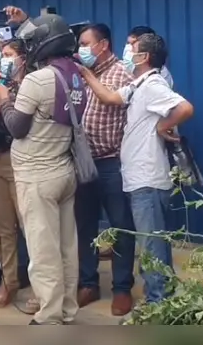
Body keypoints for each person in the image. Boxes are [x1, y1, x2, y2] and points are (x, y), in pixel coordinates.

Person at [78, 33, 194, 305]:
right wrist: (85, 73)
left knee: (151, 247)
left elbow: (185, 108)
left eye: (132, 48)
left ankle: (158, 305)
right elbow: (108, 97)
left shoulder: (153, 84)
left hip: (148, 180)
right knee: (154, 244)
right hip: (137, 179)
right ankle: (163, 300)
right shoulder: (138, 86)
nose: (126, 52)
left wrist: (163, 126)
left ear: (145, 57)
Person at [0, 8, 84, 326]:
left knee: (43, 250)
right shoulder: (74, 73)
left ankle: (49, 315)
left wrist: (4, 100)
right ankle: (67, 309)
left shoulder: (37, 79)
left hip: (37, 174)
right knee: (66, 248)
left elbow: (17, 127)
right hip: (64, 169)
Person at [75, 23, 136, 316]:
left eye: (86, 44)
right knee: (84, 226)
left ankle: (122, 288)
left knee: (121, 226)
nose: (81, 49)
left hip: (112, 162)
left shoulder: (121, 73)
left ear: (103, 45)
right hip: (82, 162)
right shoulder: (76, 76)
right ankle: (88, 282)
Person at [0, 37, 39, 311]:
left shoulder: (31, 84)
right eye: (2, 53)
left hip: (20, 160)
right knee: (1, 228)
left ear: (23, 58)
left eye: (10, 53)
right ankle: (9, 281)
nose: (4, 58)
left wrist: (8, 104)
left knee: (31, 227)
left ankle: (40, 287)